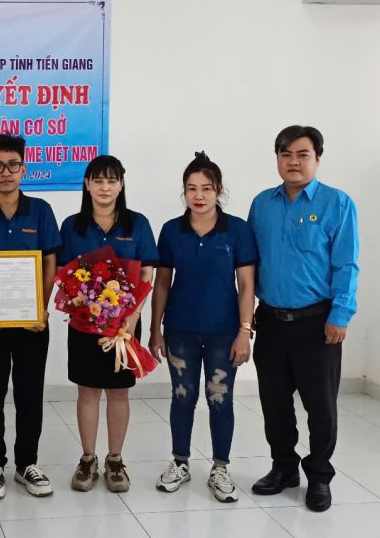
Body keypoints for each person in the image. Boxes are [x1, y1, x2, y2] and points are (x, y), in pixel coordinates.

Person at [247, 126, 359, 512]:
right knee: (274, 401)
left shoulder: (337, 204)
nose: (293, 162)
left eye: (302, 154)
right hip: (272, 322)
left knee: (321, 406)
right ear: (276, 158)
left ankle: (320, 475)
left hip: (319, 323)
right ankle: (283, 468)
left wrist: (340, 314)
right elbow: (250, 265)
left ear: (317, 158)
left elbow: (347, 264)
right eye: (285, 154)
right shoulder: (262, 204)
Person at [149, 151, 256, 503]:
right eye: (191, 188)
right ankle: (180, 462)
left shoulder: (237, 230)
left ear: (218, 190)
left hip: (223, 332)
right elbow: (162, 284)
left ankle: (220, 468)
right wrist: (155, 329)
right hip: (180, 329)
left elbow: (246, 285)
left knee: (219, 400)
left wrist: (244, 331)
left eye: (206, 188)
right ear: (184, 192)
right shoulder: (171, 230)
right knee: (183, 397)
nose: (199, 195)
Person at [0, 134, 60, 499]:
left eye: (13, 165)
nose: (6, 172)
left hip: (32, 320)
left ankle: (27, 464)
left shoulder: (41, 210)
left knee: (30, 392)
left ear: (24, 168)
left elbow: (50, 259)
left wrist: (42, 306)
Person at [57, 155, 158, 494]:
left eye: (111, 180)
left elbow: (146, 272)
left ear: (121, 184)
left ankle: (115, 459)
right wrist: (79, 303)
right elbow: (64, 275)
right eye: (97, 180)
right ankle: (88, 459)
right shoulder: (72, 226)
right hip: (84, 326)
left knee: (118, 392)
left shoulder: (137, 224)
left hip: (124, 327)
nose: (104, 187)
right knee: (88, 392)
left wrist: (133, 316)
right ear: (87, 185)